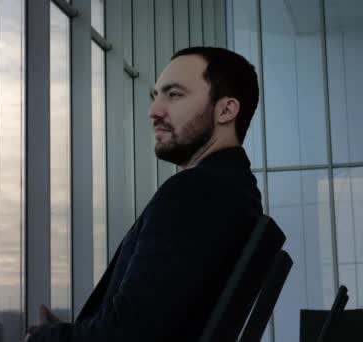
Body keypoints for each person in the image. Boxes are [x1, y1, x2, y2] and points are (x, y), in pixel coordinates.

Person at [24, 46, 263, 341]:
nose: (154, 111)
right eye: (156, 95)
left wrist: (45, 337)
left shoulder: (195, 194)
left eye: (174, 94)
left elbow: (128, 335)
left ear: (226, 110)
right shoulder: (236, 192)